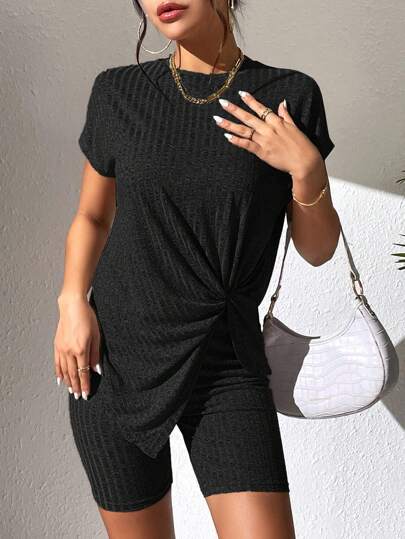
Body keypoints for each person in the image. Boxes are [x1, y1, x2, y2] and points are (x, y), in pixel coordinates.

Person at [54, 0, 341, 537]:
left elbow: (318, 250)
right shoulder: (118, 92)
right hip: (113, 361)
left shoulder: (287, 96)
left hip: (226, 360)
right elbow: (93, 216)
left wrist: (306, 169)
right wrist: (72, 303)